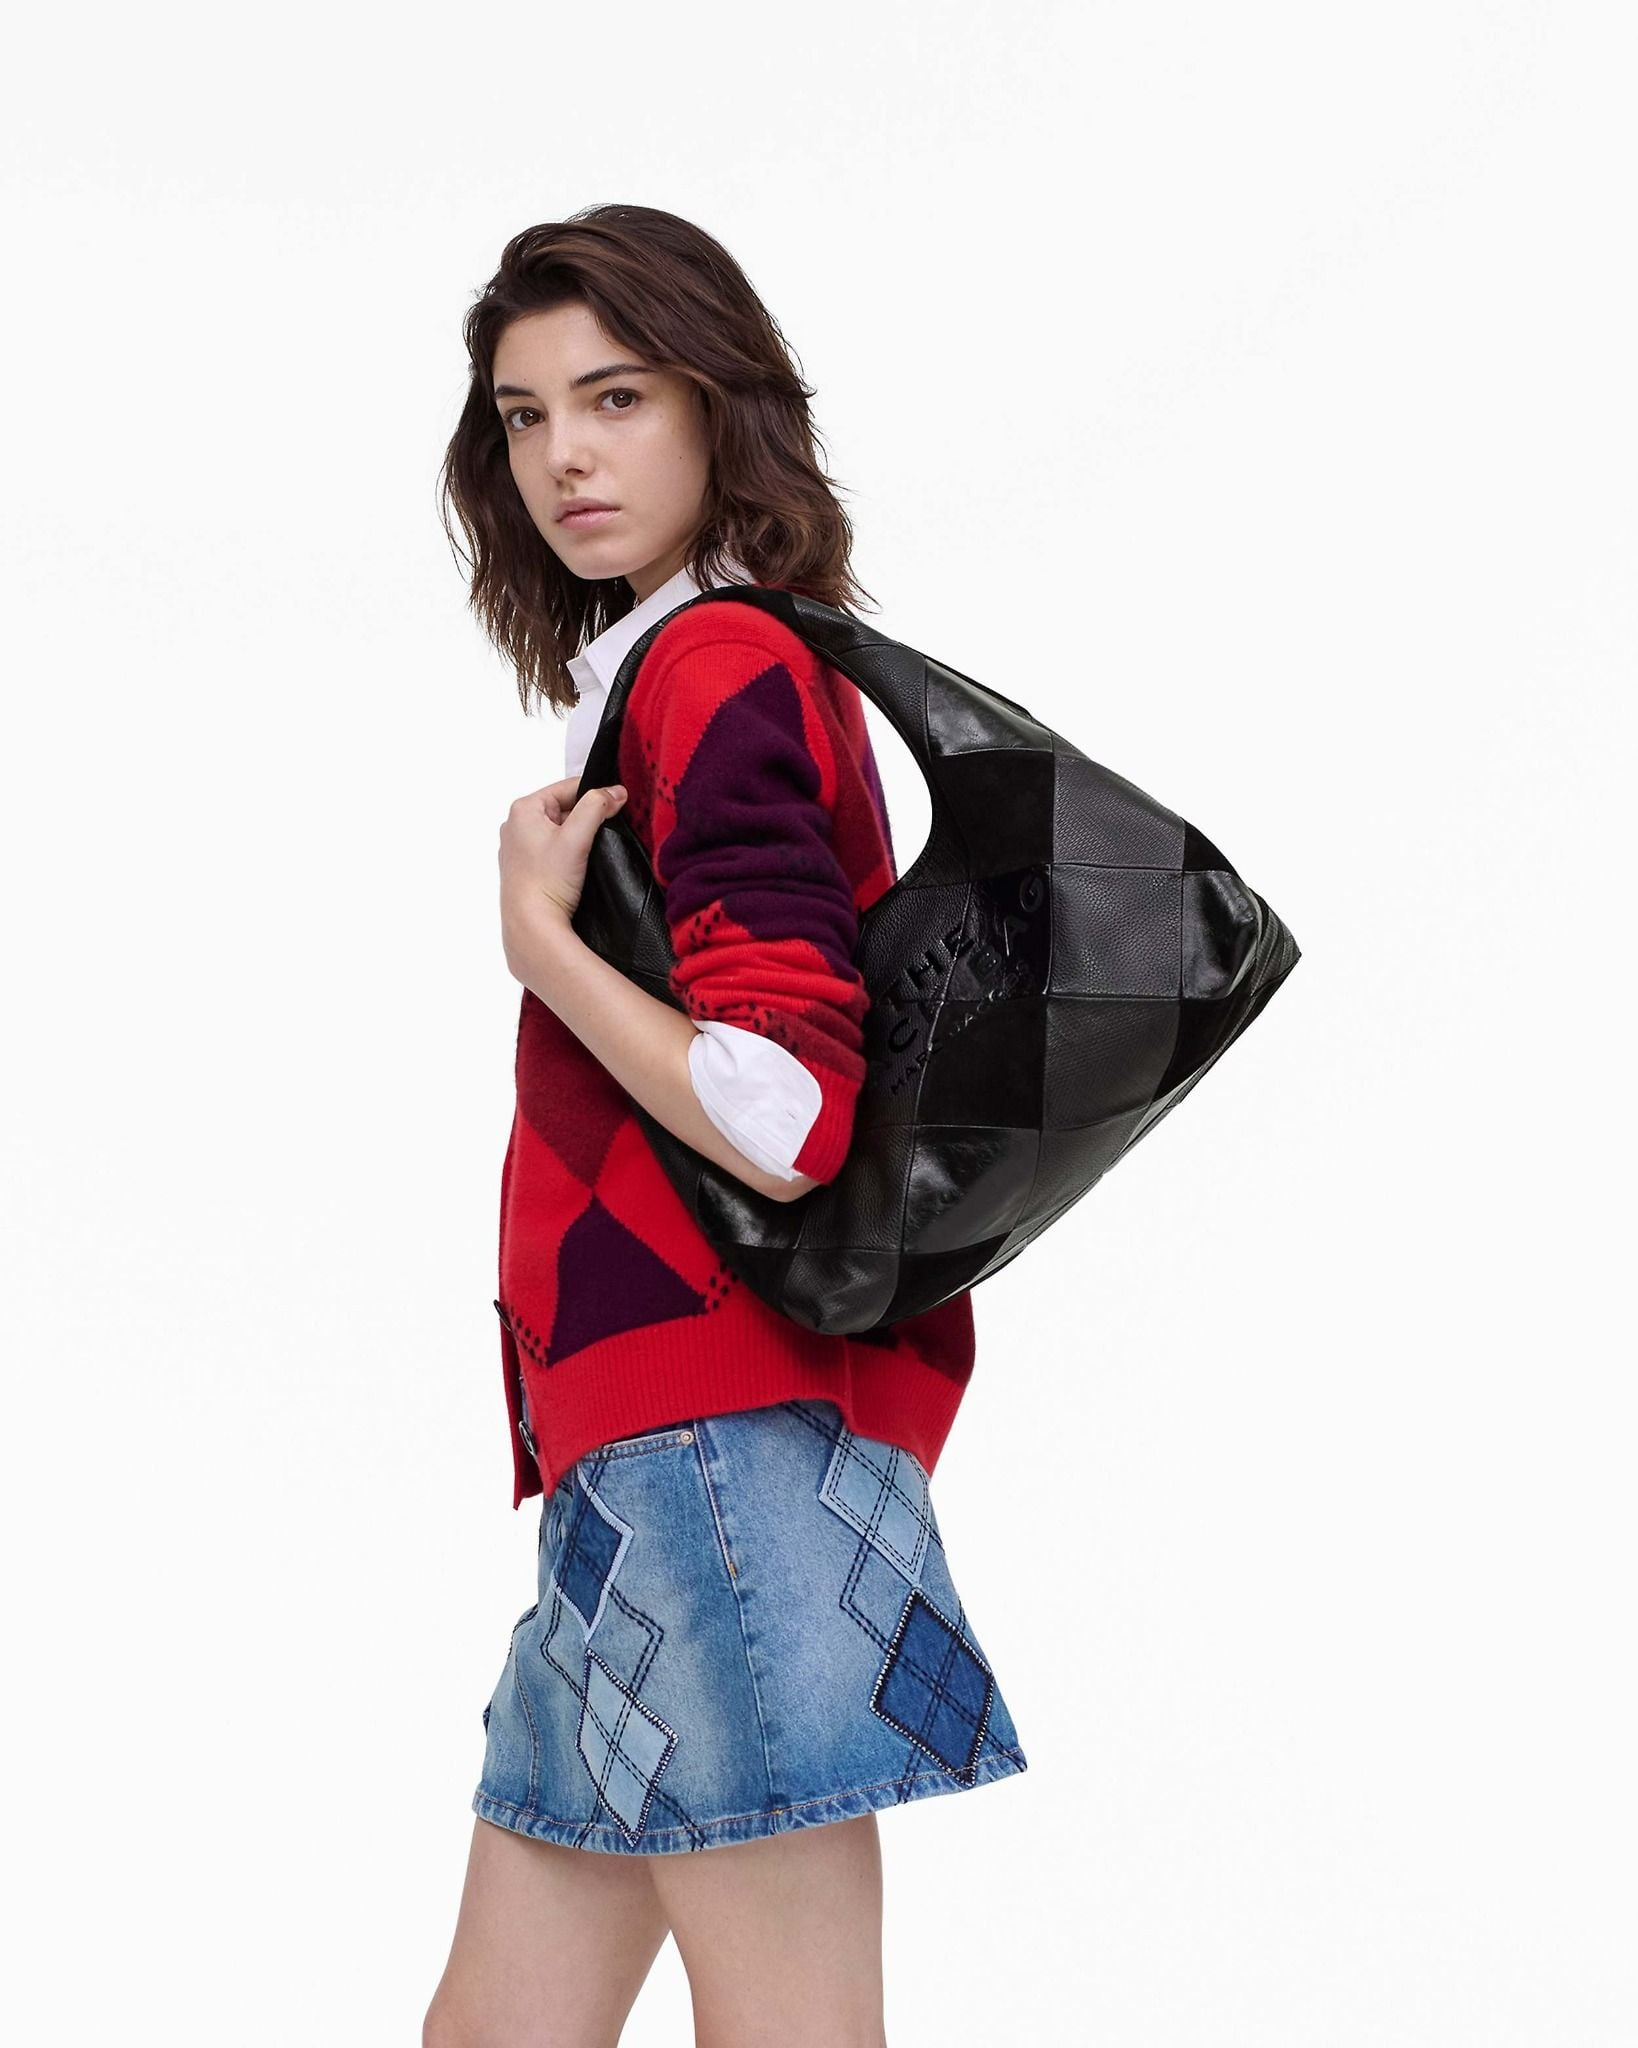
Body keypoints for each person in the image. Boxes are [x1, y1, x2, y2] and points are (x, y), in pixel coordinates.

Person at [427, 203, 1027, 2048]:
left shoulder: (717, 670)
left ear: (718, 408)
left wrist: (540, 944)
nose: (564, 455)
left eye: (615, 397)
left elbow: (783, 1115)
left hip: (720, 1456)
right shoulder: (666, 678)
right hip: (644, 1456)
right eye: (524, 416)